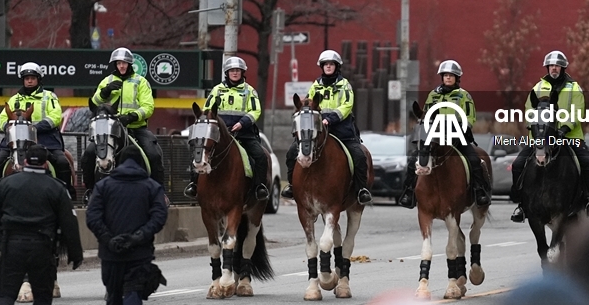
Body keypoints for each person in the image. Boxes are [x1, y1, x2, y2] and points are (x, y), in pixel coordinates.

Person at [0, 144, 83, 305]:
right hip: (43, 247)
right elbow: (69, 223)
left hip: (12, 245)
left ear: (24, 161)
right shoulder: (56, 188)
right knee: (42, 295)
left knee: (5, 290)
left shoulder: (7, 184)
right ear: (46, 163)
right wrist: (76, 254)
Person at [87, 145, 168, 305]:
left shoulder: (103, 186)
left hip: (110, 253)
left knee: (113, 294)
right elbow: (159, 217)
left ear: (119, 162)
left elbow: (93, 217)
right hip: (139, 253)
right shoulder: (151, 187)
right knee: (133, 293)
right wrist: (139, 236)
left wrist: (108, 239)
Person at [509, 50, 589, 223]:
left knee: (588, 161)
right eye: (551, 66)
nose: (554, 69)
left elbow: (577, 111)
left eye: (557, 66)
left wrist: (565, 128)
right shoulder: (537, 88)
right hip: (541, 138)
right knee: (518, 164)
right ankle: (521, 204)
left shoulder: (574, 88)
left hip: (569, 137)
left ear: (563, 68)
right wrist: (536, 128)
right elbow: (530, 110)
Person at [282, 50, 372, 205]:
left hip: (342, 129)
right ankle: (292, 185)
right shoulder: (315, 86)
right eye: (326, 64)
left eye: (331, 64)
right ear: (322, 67)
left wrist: (330, 119)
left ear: (336, 67)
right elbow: (309, 104)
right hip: (318, 129)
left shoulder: (345, 85)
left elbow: (347, 105)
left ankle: (361, 189)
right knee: (292, 152)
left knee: (359, 155)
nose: (328, 67)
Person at [397, 60, 490, 208]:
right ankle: (409, 192)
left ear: (457, 78)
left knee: (473, 160)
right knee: (413, 160)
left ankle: (479, 191)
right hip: (434, 137)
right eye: (445, 75)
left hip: (457, 137)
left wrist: (457, 128)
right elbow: (426, 116)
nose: (448, 78)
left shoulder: (464, 96)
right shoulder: (433, 95)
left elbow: (470, 117)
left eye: (451, 75)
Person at [183, 56, 269, 201]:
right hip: (219, 133)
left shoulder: (250, 91)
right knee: (200, 152)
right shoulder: (217, 90)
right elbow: (208, 109)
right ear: (227, 73)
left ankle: (259, 187)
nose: (235, 73)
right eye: (231, 70)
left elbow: (256, 111)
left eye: (237, 70)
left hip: (243, 132)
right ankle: (194, 184)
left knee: (260, 156)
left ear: (242, 72)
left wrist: (242, 123)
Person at [83, 47, 165, 200]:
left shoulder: (141, 81)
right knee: (88, 154)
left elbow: (148, 107)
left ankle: (160, 193)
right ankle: (90, 190)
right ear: (115, 64)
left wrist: (131, 116)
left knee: (153, 154)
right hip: (111, 130)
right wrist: (104, 92)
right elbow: (94, 104)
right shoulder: (107, 81)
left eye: (124, 63)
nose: (121, 66)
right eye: (119, 63)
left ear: (130, 64)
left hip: (135, 128)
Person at [0, 62, 72, 195]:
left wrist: (35, 128)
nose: (29, 81)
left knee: (62, 162)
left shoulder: (49, 96)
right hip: (15, 138)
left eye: (32, 78)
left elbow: (56, 116)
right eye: (26, 78)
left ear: (38, 79)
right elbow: (3, 117)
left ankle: (66, 193)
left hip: (45, 138)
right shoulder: (14, 99)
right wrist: (7, 126)